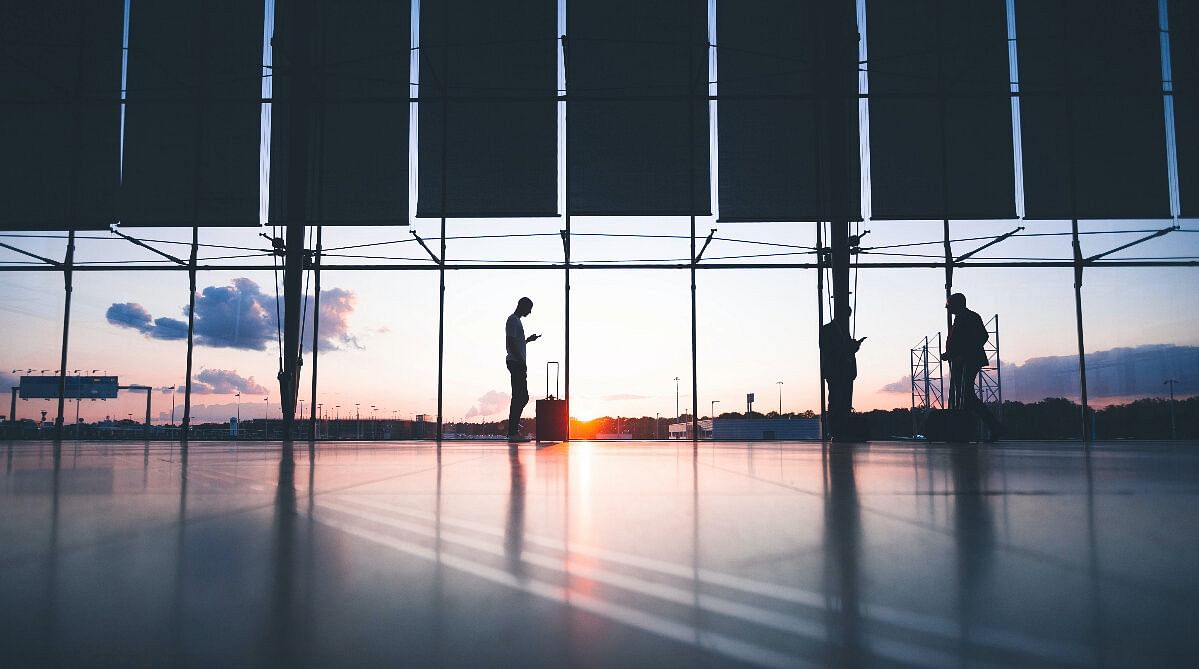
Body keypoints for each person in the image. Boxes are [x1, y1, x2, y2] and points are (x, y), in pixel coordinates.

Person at [942, 293, 1002, 441]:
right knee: (966, 396)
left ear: (957, 304)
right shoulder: (964, 318)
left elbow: (982, 336)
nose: (948, 309)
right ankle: (971, 429)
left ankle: (991, 427)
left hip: (968, 361)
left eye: (950, 305)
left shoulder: (969, 317)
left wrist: (963, 353)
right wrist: (951, 354)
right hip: (962, 361)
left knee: (966, 395)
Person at [820, 308, 865, 440]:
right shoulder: (828, 330)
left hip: (844, 372)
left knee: (842, 401)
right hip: (836, 372)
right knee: (836, 401)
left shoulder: (836, 330)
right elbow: (830, 351)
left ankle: (839, 430)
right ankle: (835, 432)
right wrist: (851, 348)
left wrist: (852, 347)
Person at [505, 297, 540, 441]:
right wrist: (520, 360)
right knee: (520, 397)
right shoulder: (513, 320)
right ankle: (512, 432)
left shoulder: (516, 321)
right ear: (522, 306)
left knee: (521, 397)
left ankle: (513, 430)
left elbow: (516, 342)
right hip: (516, 362)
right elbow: (510, 342)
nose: (530, 312)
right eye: (529, 308)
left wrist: (527, 341)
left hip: (516, 362)